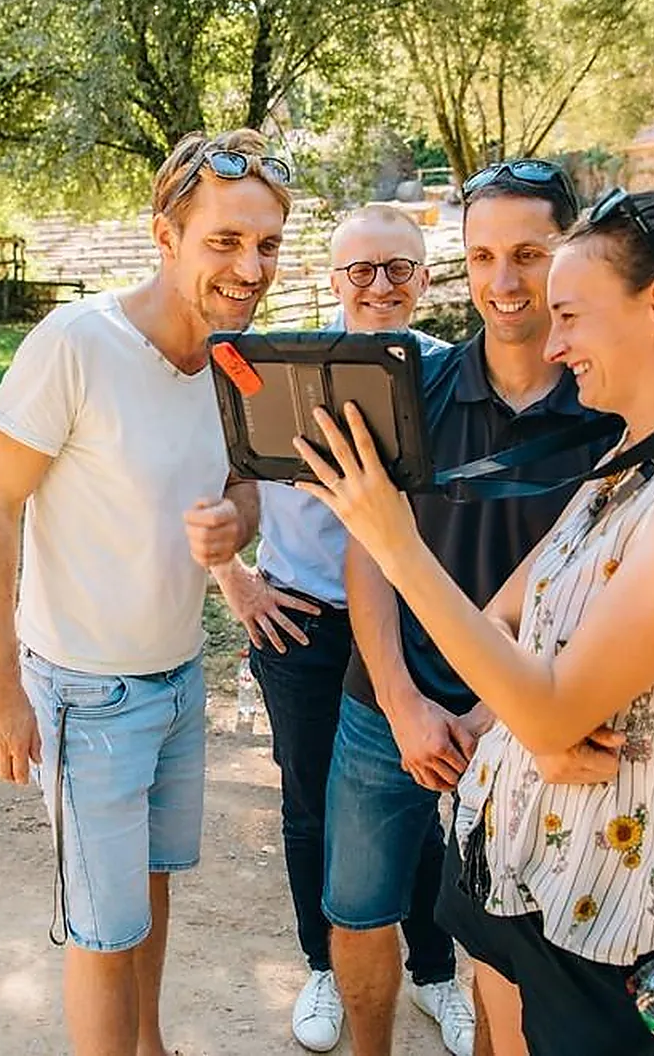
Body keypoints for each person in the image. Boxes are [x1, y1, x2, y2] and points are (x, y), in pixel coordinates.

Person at [295, 176, 654, 1056]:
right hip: (525, 879)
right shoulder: (637, 456)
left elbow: (549, 703)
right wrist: (514, 717)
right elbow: (502, 621)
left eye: (571, 312)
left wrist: (395, 541)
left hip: (612, 918)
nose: (554, 337)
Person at [0, 128, 288, 1056]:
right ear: (167, 235)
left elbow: (244, 484)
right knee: (101, 936)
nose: (249, 265)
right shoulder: (77, 343)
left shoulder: (235, 360)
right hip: (85, 691)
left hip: (177, 677)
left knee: (148, 891)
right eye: (224, 241)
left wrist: (238, 517)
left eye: (265, 243)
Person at [319, 161, 619, 1056]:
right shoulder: (417, 386)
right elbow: (370, 552)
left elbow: (607, 583)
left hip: (531, 719)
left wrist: (496, 715)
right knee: (361, 912)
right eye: (482, 255)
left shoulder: (610, 404)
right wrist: (407, 703)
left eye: (529, 254)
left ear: (572, 254)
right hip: (389, 708)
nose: (503, 282)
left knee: (506, 944)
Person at [211, 203, 468, 1053]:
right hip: (304, 621)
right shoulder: (275, 366)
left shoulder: (449, 378)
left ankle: (434, 973)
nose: (379, 286)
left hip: (408, 623)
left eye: (399, 269)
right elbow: (221, 478)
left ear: (425, 279)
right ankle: (327, 966)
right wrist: (235, 583)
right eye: (361, 269)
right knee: (310, 802)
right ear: (334, 280)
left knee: (423, 798)